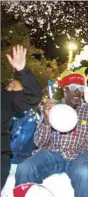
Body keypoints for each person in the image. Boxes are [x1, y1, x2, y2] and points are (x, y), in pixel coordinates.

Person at [15, 70, 88, 197]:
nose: (78, 92)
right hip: (54, 153)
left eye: (81, 87)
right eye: (73, 87)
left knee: (84, 172)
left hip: (81, 154)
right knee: (25, 168)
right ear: (64, 89)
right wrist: (47, 120)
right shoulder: (54, 108)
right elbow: (40, 142)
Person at [1, 45, 42, 189]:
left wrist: (22, 70)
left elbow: (33, 97)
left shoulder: (6, 99)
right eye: (9, 86)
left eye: (14, 87)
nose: (9, 89)